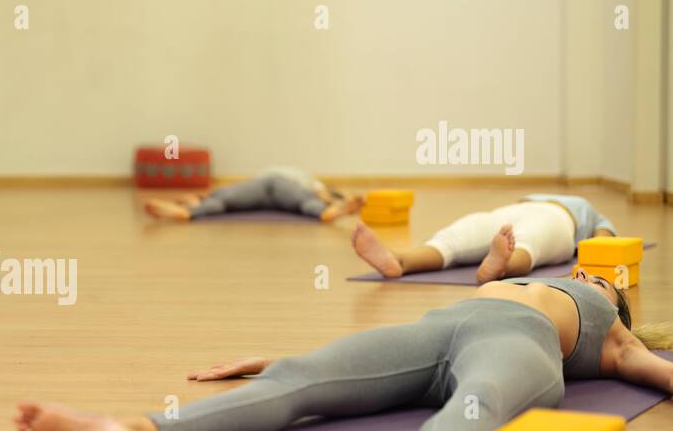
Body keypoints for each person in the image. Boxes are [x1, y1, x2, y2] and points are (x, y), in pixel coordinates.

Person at [15, 272, 673, 431]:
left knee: (480, 400)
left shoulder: (612, 330)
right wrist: (282, 356)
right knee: (300, 380)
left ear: (612, 302)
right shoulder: (528, 276)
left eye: (602, 278)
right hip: (430, 330)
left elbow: (652, 370)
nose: (592, 270)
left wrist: (623, 330)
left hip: (519, 344)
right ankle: (140, 430)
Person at [353, 193, 617, 282]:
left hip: (560, 221)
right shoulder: (538, 200)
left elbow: (602, 242)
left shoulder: (589, 212)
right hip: (512, 212)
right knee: (460, 233)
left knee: (528, 243)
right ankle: (399, 260)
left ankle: (502, 264)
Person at [143, 166, 364, 222]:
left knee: (223, 201)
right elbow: (319, 193)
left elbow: (321, 192)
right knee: (306, 203)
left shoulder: (308, 180)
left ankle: (189, 210)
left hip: (263, 185)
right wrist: (335, 200)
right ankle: (329, 212)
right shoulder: (310, 181)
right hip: (276, 189)